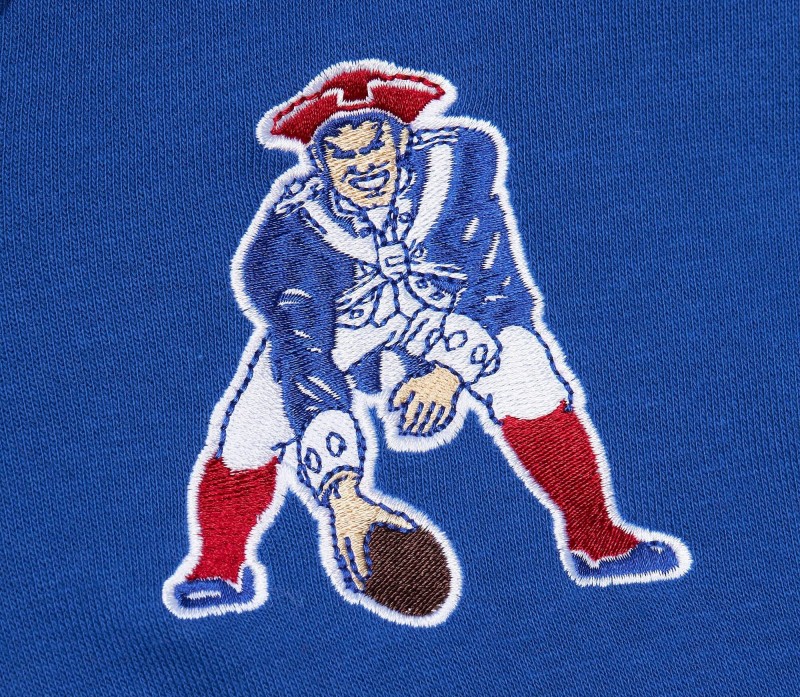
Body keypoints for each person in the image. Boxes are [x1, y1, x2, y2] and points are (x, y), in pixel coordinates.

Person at [163, 62, 691, 624]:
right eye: (343, 155)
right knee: (252, 422)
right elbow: (305, 354)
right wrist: (343, 494)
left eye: (374, 146)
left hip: (447, 315)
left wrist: (447, 372)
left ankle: (597, 537)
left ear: (401, 142)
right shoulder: (292, 234)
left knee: (525, 366)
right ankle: (218, 564)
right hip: (345, 329)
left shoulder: (458, 174)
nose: (363, 166)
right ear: (321, 164)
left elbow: (494, 289)